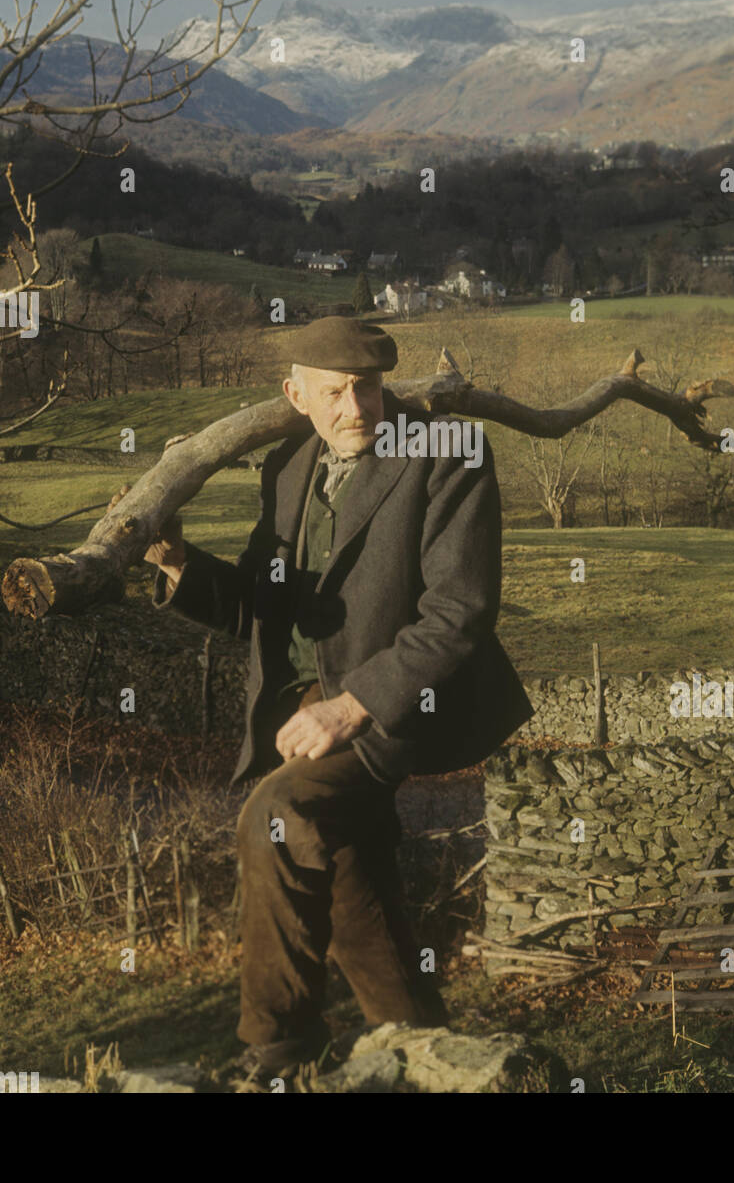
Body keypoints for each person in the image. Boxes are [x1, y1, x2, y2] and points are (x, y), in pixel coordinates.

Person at [141, 315, 532, 1079]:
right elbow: (262, 600)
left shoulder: (446, 452)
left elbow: (460, 614)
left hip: (401, 704)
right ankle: (426, 1047)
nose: (357, 408)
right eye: (335, 392)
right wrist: (178, 565)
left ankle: (278, 1050)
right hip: (304, 709)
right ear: (295, 395)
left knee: (280, 816)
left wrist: (350, 705)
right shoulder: (288, 464)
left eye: (369, 387)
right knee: (353, 884)